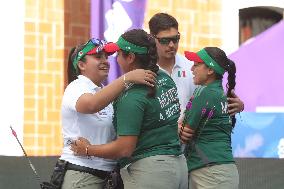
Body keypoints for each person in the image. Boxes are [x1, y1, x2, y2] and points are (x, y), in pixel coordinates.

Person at [70, 29, 188, 189]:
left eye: (118, 54)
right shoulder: (165, 78)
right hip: (179, 166)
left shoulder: (131, 96)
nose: (114, 59)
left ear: (130, 57)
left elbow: (125, 148)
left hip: (151, 172)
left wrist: (87, 149)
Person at [59, 38, 156, 189]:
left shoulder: (104, 92)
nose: (106, 61)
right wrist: (127, 78)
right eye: (98, 57)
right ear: (81, 65)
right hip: (82, 174)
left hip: (109, 176)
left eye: (106, 56)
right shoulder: (76, 87)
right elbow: (91, 104)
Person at [148, 13, 244, 137]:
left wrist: (236, 106)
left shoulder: (192, 67)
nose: (171, 45)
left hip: (191, 148)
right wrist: (171, 129)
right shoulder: (144, 71)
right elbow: (141, 116)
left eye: (176, 39)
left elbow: (211, 99)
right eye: (165, 40)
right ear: (152, 38)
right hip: (158, 146)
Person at [180, 47, 239, 189]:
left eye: (196, 64)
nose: (192, 68)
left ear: (210, 70)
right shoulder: (220, 94)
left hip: (210, 172)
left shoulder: (204, 93)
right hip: (220, 171)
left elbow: (184, 134)